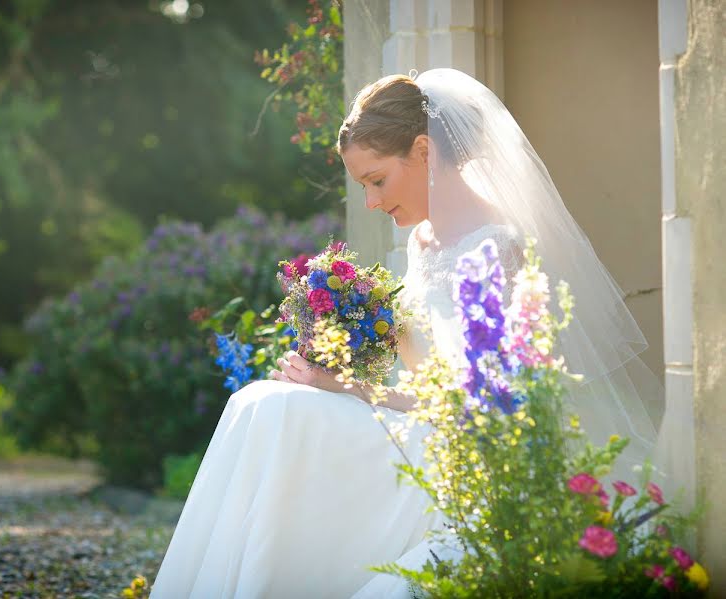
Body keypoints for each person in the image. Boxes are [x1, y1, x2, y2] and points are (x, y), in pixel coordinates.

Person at [149, 68, 670, 598]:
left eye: (377, 180)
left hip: (467, 450)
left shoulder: (499, 247)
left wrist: (344, 389)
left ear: (423, 151)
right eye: (364, 187)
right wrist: (340, 360)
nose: (372, 202)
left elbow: (476, 406)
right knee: (258, 402)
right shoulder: (421, 243)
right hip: (418, 425)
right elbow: (422, 378)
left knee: (278, 409)